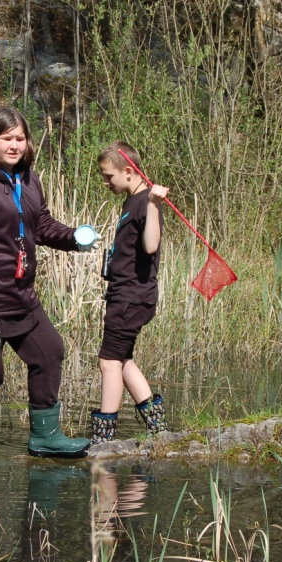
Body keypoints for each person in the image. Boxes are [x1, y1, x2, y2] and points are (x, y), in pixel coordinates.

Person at [0, 106, 92, 467]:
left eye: (20, 139)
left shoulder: (29, 180)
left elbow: (40, 225)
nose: (14, 145)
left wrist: (74, 238)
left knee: (49, 351)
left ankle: (45, 437)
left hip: (22, 297)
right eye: (6, 138)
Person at [89, 141, 169, 444]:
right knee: (123, 361)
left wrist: (154, 205)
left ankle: (104, 439)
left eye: (109, 176)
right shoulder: (132, 201)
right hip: (130, 296)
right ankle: (158, 430)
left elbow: (150, 245)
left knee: (108, 362)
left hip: (131, 298)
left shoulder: (144, 202)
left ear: (128, 171)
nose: (106, 182)